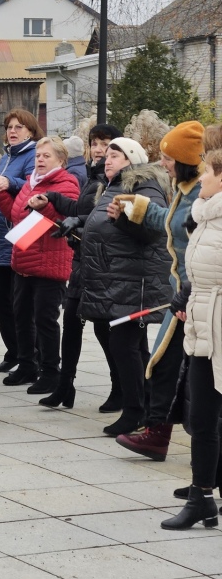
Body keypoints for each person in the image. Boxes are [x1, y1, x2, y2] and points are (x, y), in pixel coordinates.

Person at [112, 120, 204, 462]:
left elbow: (201, 241)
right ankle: (158, 434)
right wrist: (136, 209)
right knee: (168, 366)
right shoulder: (187, 187)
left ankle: (161, 436)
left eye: (167, 158)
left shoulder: (201, 192)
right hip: (184, 296)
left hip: (195, 298)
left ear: (184, 159)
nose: (162, 163)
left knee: (175, 369)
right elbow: (173, 223)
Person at [78, 137, 172, 437]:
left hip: (136, 282)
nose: (107, 159)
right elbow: (105, 228)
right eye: (106, 155)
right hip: (114, 280)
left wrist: (123, 221)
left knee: (124, 344)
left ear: (132, 159)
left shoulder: (144, 184)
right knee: (129, 346)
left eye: (115, 155)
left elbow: (154, 230)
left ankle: (136, 411)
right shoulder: (111, 187)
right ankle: (147, 408)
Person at [31, 123, 123, 410]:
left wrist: (79, 221)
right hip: (83, 261)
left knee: (104, 329)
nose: (98, 149)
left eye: (104, 143)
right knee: (71, 321)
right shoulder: (92, 176)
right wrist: (55, 202)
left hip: (104, 266)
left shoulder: (115, 181)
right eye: (94, 142)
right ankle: (65, 385)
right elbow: (81, 211)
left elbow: (100, 219)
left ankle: (121, 387)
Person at [160, 149, 222, 530]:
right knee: (201, 415)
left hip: (218, 326)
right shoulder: (204, 217)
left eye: (209, 173)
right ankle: (202, 497)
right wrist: (186, 296)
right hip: (202, 326)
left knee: (209, 415)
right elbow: (198, 272)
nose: (201, 179)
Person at [0, 136, 79, 394]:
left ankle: (51, 371)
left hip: (49, 262)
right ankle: (27, 364)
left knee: (45, 319)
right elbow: (16, 214)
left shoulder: (66, 182)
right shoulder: (32, 182)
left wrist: (44, 204)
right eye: (38, 156)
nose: (40, 160)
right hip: (23, 259)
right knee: (21, 316)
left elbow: (57, 215)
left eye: (46, 156)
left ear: (61, 161)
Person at [0, 109, 41, 373]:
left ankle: (30, 354)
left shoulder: (33, 155)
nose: (13, 131)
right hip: (1, 244)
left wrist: (8, 182)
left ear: (30, 130)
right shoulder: (6, 156)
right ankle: (15, 350)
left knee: (20, 305)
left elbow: (31, 185)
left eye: (19, 127)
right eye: (9, 127)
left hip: (21, 239)